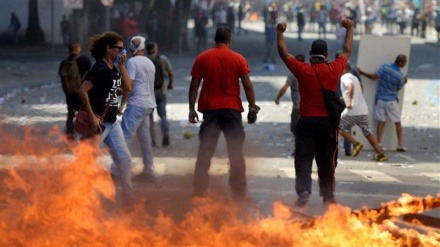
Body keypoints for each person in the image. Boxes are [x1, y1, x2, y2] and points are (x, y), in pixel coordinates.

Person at [276, 18, 354, 207]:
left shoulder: (302, 69)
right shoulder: (334, 68)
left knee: (303, 158)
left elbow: (284, 53)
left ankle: (303, 192)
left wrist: (280, 32)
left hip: (306, 122)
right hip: (327, 123)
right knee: (326, 158)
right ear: (326, 54)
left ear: (311, 54)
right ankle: (328, 195)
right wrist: (350, 29)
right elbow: (347, 50)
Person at [188, 26, 259, 200]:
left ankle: (199, 190)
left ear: (215, 39)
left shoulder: (202, 58)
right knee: (235, 152)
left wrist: (191, 109)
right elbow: (247, 84)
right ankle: (238, 192)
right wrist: (252, 106)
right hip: (232, 111)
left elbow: (194, 85)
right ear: (230, 40)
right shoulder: (238, 58)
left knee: (205, 151)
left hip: (211, 111)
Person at [78, 31, 134, 206]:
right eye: (119, 48)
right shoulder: (100, 68)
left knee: (124, 159)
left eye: (124, 48)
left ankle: (129, 199)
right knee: (87, 162)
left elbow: (128, 87)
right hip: (97, 123)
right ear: (108, 49)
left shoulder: (115, 68)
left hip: (111, 121)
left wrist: (123, 66)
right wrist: (93, 118)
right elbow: (82, 90)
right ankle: (80, 200)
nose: (122, 52)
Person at [117, 36, 157, 182]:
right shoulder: (149, 63)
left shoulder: (132, 62)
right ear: (143, 48)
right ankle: (148, 171)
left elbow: (129, 86)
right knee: (145, 140)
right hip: (148, 105)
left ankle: (117, 171)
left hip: (136, 105)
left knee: (123, 138)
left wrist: (122, 104)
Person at [357, 54, 408, 152]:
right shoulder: (400, 76)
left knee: (381, 122)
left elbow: (373, 76)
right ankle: (400, 145)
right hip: (391, 101)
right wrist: (404, 82)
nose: (405, 65)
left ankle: (379, 143)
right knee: (397, 123)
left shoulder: (385, 67)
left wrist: (362, 72)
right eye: (405, 62)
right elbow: (397, 89)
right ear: (400, 62)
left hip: (380, 99)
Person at [338, 62, 388, 162]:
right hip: (363, 109)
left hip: (353, 110)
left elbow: (350, 86)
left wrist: (349, 100)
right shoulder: (354, 77)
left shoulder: (345, 77)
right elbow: (360, 86)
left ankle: (356, 143)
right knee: (367, 133)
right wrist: (347, 98)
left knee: (338, 127)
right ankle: (380, 154)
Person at [58, 42, 91, 139]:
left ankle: (70, 133)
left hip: (69, 92)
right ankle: (84, 133)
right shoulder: (84, 60)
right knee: (84, 112)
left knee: (71, 113)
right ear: (78, 49)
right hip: (82, 92)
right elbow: (91, 75)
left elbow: (62, 77)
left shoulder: (64, 62)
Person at [274, 54, 305, 155]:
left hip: (298, 107)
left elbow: (285, 88)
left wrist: (278, 97)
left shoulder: (293, 74)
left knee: (295, 128)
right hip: (307, 106)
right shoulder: (307, 71)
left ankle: (298, 149)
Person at [335, 51, 362, 156]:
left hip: (337, 101)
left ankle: (336, 149)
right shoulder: (352, 69)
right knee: (346, 127)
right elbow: (360, 84)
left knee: (335, 126)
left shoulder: (332, 68)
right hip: (346, 102)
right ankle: (347, 149)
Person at [146, 42, 174, 147]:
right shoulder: (163, 59)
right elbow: (171, 72)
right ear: (156, 49)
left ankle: (152, 139)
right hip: (162, 91)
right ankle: (165, 132)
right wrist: (170, 84)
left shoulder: (145, 61)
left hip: (149, 93)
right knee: (162, 114)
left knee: (149, 117)